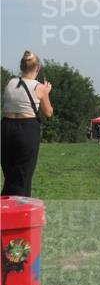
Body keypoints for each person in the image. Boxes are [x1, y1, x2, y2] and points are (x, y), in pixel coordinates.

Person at [1, 51, 54, 196]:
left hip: (6, 127)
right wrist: (47, 92)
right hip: (27, 129)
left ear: (21, 66)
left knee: (10, 175)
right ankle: (20, 207)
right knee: (23, 176)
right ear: (38, 68)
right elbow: (48, 112)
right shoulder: (40, 87)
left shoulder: (9, 83)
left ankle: (5, 205)